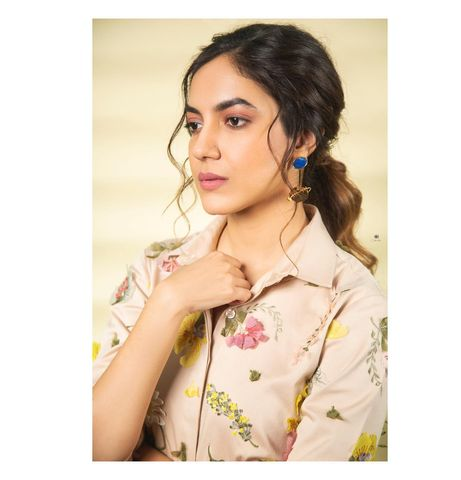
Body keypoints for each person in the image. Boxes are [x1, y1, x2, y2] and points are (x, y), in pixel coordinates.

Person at [92, 22, 387, 462]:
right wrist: (168, 304)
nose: (201, 148)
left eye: (234, 120)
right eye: (194, 124)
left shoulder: (351, 306)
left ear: (302, 139)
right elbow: (91, 452)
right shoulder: (154, 270)